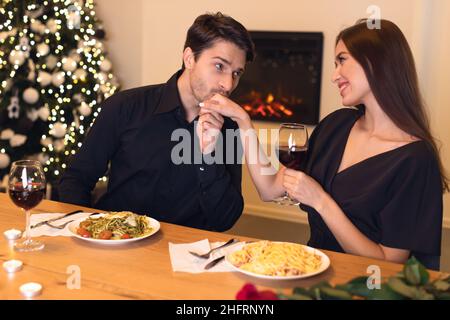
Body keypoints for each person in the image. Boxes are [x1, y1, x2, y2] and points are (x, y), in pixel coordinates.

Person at [199, 19, 447, 269]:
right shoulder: (335, 126)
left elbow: (388, 263)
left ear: (374, 61)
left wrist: (321, 201)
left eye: (342, 60)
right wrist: (244, 122)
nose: (334, 76)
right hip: (312, 272)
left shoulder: (415, 159)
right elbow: (269, 189)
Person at [58, 12, 255, 231]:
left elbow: (224, 220)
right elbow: (75, 180)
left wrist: (207, 157)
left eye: (236, 73)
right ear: (189, 58)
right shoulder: (125, 107)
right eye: (219, 66)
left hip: (189, 255)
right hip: (119, 246)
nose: (228, 84)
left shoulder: (229, 127)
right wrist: (89, 233)